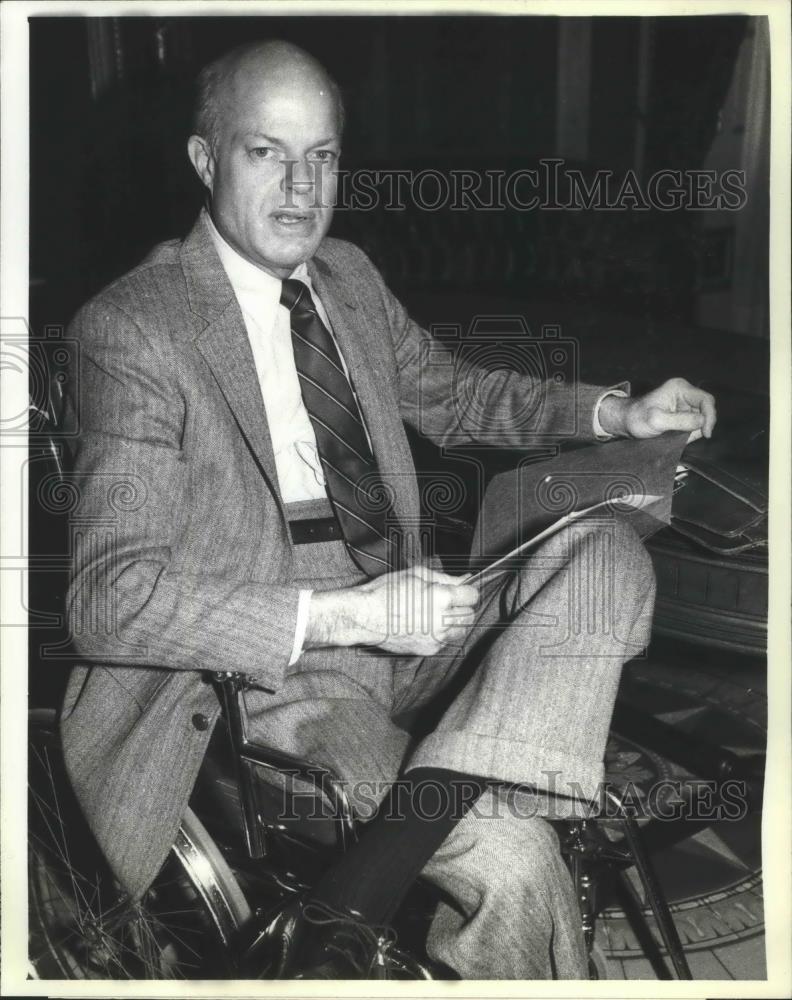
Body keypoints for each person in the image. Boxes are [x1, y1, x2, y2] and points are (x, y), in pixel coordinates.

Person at [60, 40, 717, 980]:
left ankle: (367, 882)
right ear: (205, 161)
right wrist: (347, 615)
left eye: (321, 156)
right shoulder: (133, 328)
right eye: (266, 152)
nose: (300, 186)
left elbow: (451, 392)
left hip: (414, 615)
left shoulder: (349, 277)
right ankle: (442, 835)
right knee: (515, 858)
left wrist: (619, 412)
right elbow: (108, 599)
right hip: (274, 670)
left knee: (607, 548)